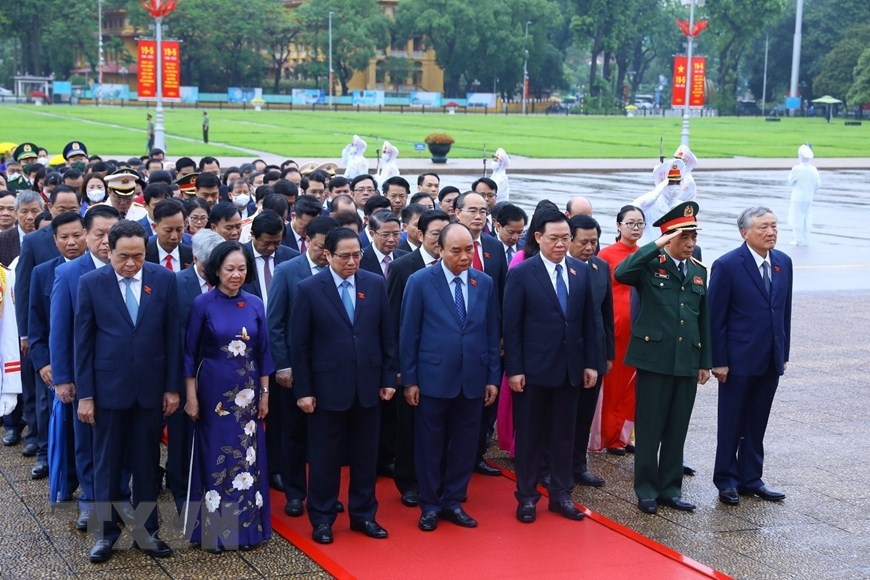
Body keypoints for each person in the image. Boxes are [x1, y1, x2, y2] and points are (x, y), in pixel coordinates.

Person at [75, 220, 180, 563]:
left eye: (138, 255)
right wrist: (86, 395)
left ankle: (146, 532)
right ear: (110, 250)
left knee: (147, 464)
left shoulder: (163, 279)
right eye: (124, 257)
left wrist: (171, 388)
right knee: (107, 465)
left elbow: (171, 337)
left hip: (150, 391)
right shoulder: (91, 283)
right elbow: (84, 344)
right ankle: (106, 535)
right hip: (108, 391)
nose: (131, 263)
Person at [290, 227, 397, 545]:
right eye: (345, 256)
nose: (352, 261)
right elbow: (301, 345)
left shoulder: (374, 284)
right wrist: (304, 390)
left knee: (366, 456)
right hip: (326, 388)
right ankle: (322, 518)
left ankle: (364, 514)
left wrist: (388, 378)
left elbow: (386, 336)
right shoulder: (309, 289)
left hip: (367, 385)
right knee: (325, 457)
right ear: (328, 255)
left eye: (357, 255)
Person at [401, 223, 500, 532]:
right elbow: (408, 333)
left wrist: (492, 378)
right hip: (432, 377)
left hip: (472, 377)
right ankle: (429, 504)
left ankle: (454, 500)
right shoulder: (419, 281)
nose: (464, 256)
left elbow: (491, 332)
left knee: (465, 442)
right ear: (440, 250)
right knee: (430, 443)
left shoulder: (483, 282)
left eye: (469, 249)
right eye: (456, 250)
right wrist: (410, 380)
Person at [614, 201, 711, 515]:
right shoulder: (649, 264)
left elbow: (702, 319)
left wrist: (704, 361)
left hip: (686, 359)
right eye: (684, 238)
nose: (690, 244)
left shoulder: (697, 271)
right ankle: (646, 489)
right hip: (654, 359)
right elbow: (621, 272)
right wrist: (654, 245)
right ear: (669, 238)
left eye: (693, 237)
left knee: (677, 427)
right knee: (651, 427)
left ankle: (671, 488)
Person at [503, 209, 598, 524]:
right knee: (530, 436)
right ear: (538, 237)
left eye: (565, 238)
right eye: (554, 238)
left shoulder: (580, 272)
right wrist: (514, 369)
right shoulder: (522, 273)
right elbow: (511, 326)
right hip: (532, 371)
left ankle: (561, 495)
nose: (560, 244)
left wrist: (590, 364)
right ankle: (527, 497)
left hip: (570, 370)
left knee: (563, 436)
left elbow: (588, 323)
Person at [183, 241, 273, 552]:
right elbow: (188, 354)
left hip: (248, 395)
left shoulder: (255, 304)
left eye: (241, 269)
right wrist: (191, 397)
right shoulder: (202, 304)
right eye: (229, 269)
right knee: (215, 457)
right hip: (213, 394)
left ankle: (246, 530)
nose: (236, 274)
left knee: (247, 460)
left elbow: (263, 353)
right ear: (217, 270)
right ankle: (214, 531)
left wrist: (264, 394)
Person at [710, 207, 792, 506]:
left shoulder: (783, 262)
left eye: (774, 226)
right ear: (745, 233)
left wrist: (783, 351)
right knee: (731, 422)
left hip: (770, 357)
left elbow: (783, 312)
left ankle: (751, 478)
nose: (771, 232)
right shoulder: (728, 265)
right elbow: (715, 318)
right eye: (763, 228)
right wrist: (718, 360)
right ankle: (727, 479)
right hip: (737, 360)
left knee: (757, 422)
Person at [267, 216, 338, 517]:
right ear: (308, 241)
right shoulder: (287, 271)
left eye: (328, 249)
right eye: (321, 247)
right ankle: (295, 492)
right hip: (295, 368)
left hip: (331, 369)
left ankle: (326, 493)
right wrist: (283, 365)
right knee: (294, 433)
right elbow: (276, 322)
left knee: (328, 436)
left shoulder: (341, 270)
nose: (325, 254)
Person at [385, 210, 450, 507]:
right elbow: (395, 319)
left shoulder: (457, 265)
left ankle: (439, 479)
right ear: (421, 235)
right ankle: (408, 481)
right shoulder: (403, 267)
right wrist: (399, 366)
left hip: (446, 363)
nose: (442, 239)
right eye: (436, 234)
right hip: (413, 361)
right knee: (409, 424)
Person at [165, 229, 224, 513]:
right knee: (182, 434)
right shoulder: (176, 284)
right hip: (184, 370)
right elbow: (170, 333)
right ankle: (181, 488)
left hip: (222, 373)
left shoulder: (231, 282)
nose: (216, 269)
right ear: (195, 257)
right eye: (210, 263)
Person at [27, 213, 88, 483]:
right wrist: (43, 363)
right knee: (58, 423)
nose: (72, 242)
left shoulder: (102, 269)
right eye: (64, 237)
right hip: (56, 362)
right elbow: (35, 323)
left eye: (77, 235)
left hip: (87, 363)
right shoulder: (43, 272)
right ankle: (63, 475)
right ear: (55, 240)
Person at [591, 205, 645, 455]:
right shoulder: (606, 255)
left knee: (632, 386)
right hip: (615, 327)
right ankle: (606, 436)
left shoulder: (647, 254)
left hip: (639, 327)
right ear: (618, 225)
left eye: (640, 224)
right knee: (612, 384)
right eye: (630, 223)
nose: (635, 228)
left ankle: (623, 436)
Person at [568, 215, 614, 487]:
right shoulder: (562, 269)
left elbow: (605, 313)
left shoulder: (600, 267)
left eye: (594, 242)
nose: (589, 247)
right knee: (563, 413)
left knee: (585, 411)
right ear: (569, 240)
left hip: (594, 350)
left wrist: (607, 354)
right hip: (566, 352)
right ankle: (550, 465)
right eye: (583, 242)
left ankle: (578, 465)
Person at [145, 198, 192, 271]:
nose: (174, 237)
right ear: (155, 227)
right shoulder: (144, 256)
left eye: (179, 230)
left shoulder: (192, 256)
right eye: (168, 230)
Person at [787, 144, 820, 246]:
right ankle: (806, 239)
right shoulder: (813, 169)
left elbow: (790, 182)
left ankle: (798, 239)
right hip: (809, 198)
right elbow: (818, 184)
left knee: (797, 218)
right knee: (807, 218)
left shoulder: (797, 169)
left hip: (798, 198)